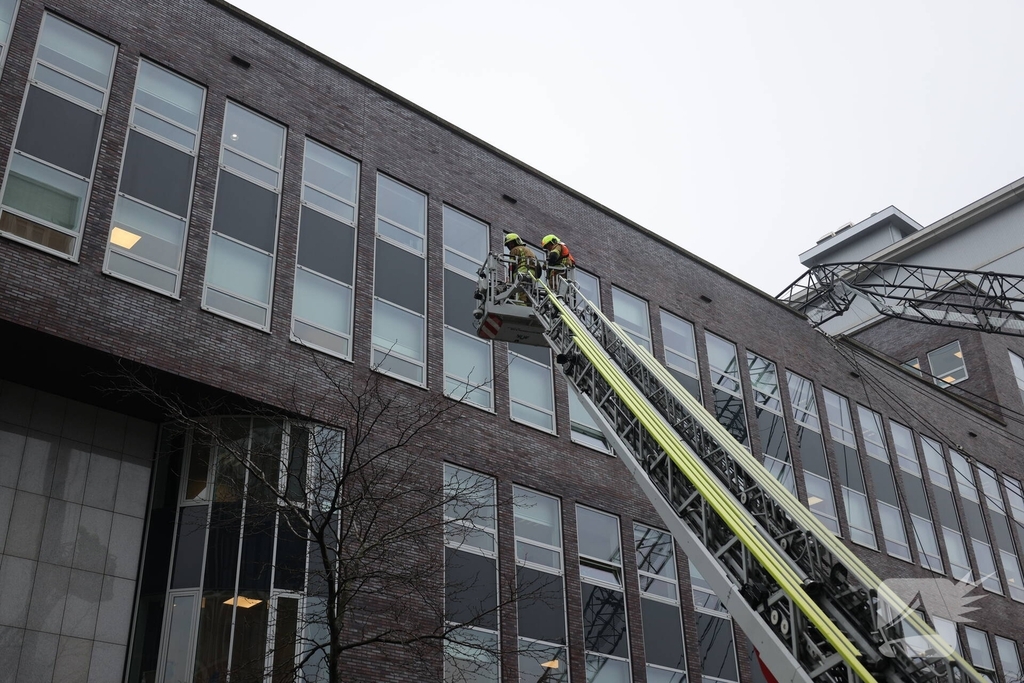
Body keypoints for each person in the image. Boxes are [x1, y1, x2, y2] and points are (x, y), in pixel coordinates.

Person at [504, 233, 539, 302]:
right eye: (509, 244)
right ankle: (527, 302)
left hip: (521, 271)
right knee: (528, 290)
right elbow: (538, 266)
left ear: (516, 242)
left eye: (511, 243)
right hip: (532, 273)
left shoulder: (514, 250)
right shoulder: (529, 250)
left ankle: (521, 303)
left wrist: (510, 280)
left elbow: (512, 265)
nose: (510, 245)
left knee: (520, 292)